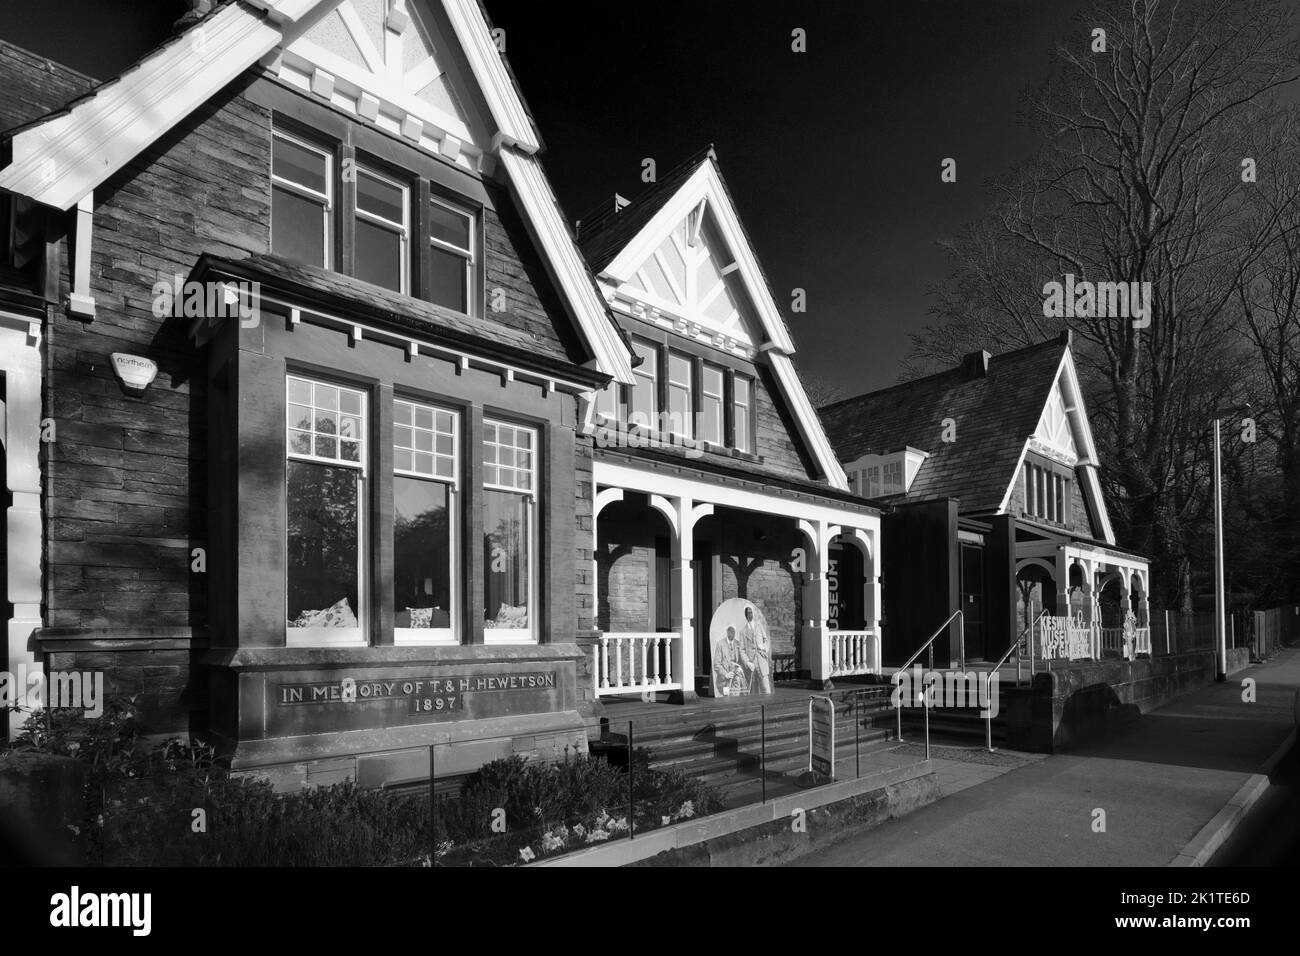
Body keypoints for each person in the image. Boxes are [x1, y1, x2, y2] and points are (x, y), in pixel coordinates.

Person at [740, 605, 772, 694]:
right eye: (747, 613)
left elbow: (766, 639)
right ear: (745, 615)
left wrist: (764, 647)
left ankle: (768, 705)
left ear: (753, 613)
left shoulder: (759, 625)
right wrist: (747, 662)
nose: (749, 615)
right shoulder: (742, 631)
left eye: (750, 612)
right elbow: (741, 650)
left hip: (761, 660)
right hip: (751, 664)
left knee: (766, 688)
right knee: (754, 690)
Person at [712, 625, 749, 696]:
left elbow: (742, 660)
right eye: (730, 630)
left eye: (733, 631)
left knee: (739, 680)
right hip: (724, 679)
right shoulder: (720, 644)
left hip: (737, 674)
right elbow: (716, 664)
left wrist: (740, 668)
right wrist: (726, 674)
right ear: (727, 632)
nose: (731, 633)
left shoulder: (738, 644)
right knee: (737, 682)